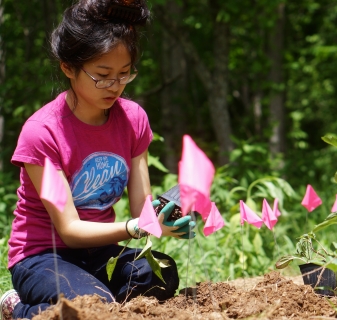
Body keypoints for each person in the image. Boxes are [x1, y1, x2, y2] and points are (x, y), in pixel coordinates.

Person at [0, 1, 195, 319]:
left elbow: (141, 210)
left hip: (99, 251)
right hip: (43, 255)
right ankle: (16, 308)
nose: (115, 86)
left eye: (124, 74)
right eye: (102, 75)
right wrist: (136, 227)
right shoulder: (43, 133)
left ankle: (91, 299)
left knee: (161, 274)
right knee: (94, 306)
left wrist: (163, 222)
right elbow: (70, 230)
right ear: (68, 67)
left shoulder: (133, 120)